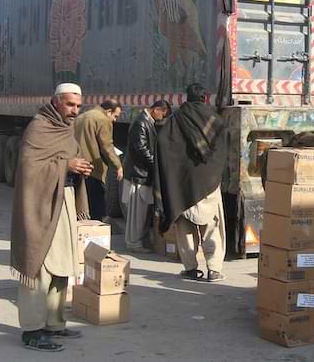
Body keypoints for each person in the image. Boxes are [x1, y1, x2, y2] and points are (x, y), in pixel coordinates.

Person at [11, 83, 92, 353]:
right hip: (42, 204)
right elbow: (29, 168)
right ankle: (32, 330)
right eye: (70, 105)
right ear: (56, 102)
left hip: (64, 199)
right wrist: (66, 165)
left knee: (62, 264)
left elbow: (65, 156)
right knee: (40, 264)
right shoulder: (39, 126)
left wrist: (79, 166)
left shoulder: (65, 128)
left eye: (78, 106)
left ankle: (54, 323)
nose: (74, 111)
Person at [156, 84, 228, 282]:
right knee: (212, 226)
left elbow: (162, 141)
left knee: (184, 228)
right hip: (208, 183)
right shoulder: (214, 119)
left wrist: (174, 170)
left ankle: (190, 268)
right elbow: (222, 150)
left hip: (182, 184)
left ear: (186, 98)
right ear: (205, 98)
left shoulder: (176, 119)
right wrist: (212, 172)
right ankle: (214, 270)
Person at [121, 100, 171, 252]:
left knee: (141, 212)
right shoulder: (141, 123)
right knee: (137, 213)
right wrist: (156, 163)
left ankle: (137, 241)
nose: (161, 118)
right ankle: (134, 243)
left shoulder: (144, 121)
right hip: (139, 174)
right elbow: (141, 149)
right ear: (156, 109)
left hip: (141, 173)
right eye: (162, 114)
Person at [74, 99, 123, 220]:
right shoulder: (102, 120)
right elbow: (107, 145)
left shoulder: (81, 117)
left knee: (80, 208)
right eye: (115, 116)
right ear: (108, 111)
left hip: (77, 168)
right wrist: (118, 165)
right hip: (93, 169)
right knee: (96, 212)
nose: (115, 120)